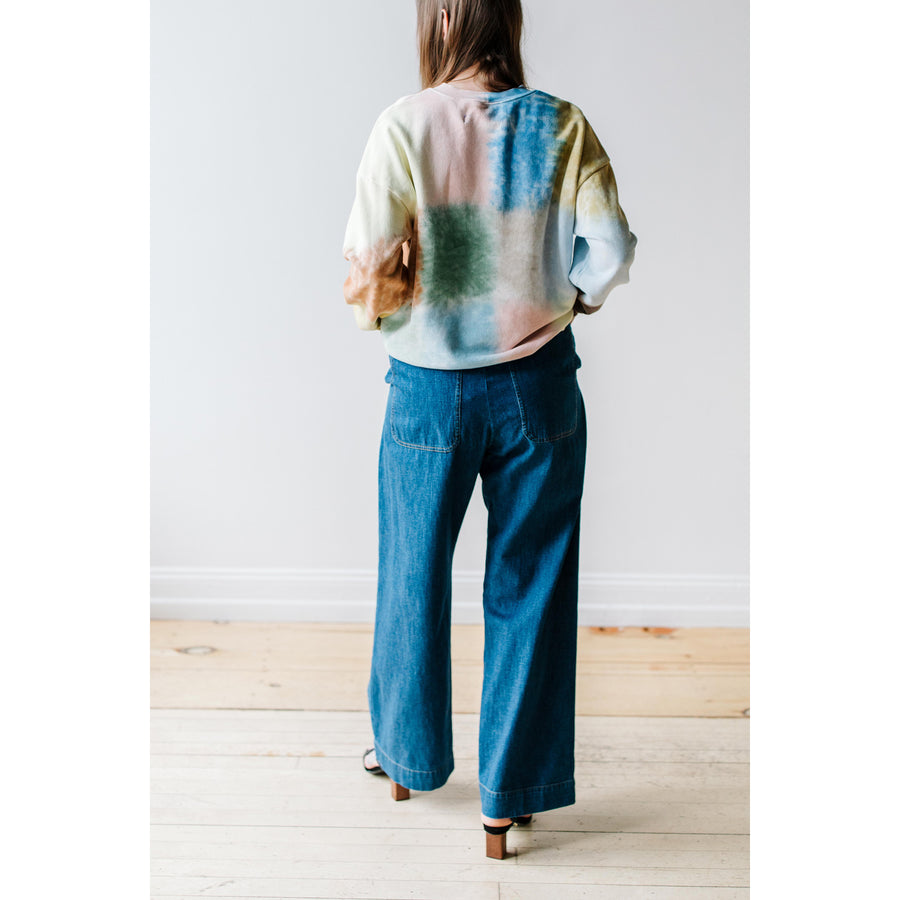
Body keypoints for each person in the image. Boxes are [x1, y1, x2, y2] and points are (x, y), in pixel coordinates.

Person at [342, 0, 637, 860]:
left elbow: (369, 262)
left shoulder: (404, 125)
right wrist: (567, 299)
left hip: (428, 391)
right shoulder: (561, 125)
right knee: (531, 584)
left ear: (440, 21)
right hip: (537, 386)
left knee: (412, 572)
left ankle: (406, 760)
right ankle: (509, 801)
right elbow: (611, 247)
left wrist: (392, 319)